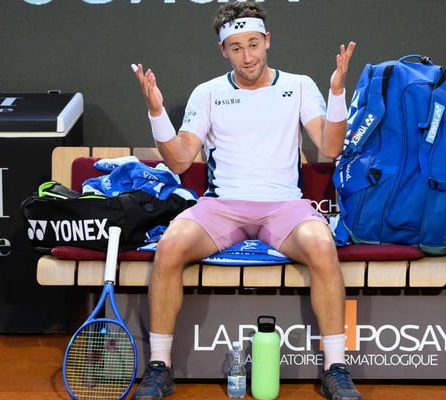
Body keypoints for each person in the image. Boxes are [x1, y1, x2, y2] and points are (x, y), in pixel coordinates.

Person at [131, 2, 361, 399]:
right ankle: (159, 367)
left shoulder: (300, 86)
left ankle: (335, 369)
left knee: (322, 246)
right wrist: (156, 112)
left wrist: (337, 92)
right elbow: (180, 160)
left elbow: (331, 146)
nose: (247, 56)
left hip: (284, 207)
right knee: (170, 246)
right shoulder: (208, 93)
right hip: (221, 207)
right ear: (223, 50)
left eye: (253, 44)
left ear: (267, 41)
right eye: (236, 48)